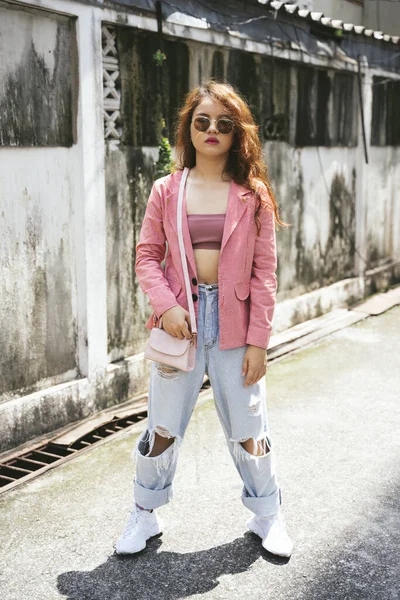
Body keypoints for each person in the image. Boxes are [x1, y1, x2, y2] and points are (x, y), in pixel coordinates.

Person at [114, 80, 293, 558]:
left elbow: (264, 273)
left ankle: (267, 514)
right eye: (202, 121)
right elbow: (147, 256)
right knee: (163, 427)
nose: (212, 129)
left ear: (238, 134)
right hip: (180, 325)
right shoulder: (166, 190)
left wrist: (260, 341)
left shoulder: (252, 196)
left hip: (236, 327)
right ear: (188, 129)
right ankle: (145, 513)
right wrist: (166, 306)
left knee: (250, 429)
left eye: (224, 123)